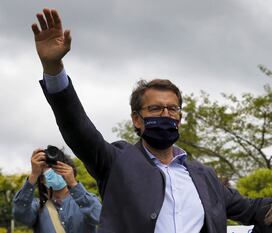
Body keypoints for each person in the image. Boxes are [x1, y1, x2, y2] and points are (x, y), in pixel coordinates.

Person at [31, 8, 258, 233]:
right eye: (156, 108)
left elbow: (251, 209)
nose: (166, 114)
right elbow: (78, 129)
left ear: (179, 118)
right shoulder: (117, 162)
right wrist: (53, 69)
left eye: (172, 109)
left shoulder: (204, 176)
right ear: (136, 120)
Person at [13, 146, 101, 233]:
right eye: (48, 168)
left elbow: (99, 216)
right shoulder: (38, 207)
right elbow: (20, 214)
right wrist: (33, 175)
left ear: (70, 171)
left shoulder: (84, 201)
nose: (54, 171)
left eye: (58, 166)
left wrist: (73, 184)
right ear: (42, 179)